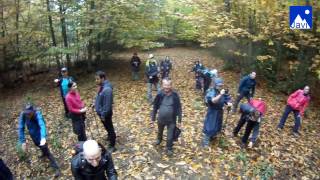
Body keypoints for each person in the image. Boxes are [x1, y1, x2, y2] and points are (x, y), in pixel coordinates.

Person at [18, 103, 60, 177]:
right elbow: (21, 127)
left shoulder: (37, 113)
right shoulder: (23, 114)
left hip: (40, 135)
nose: (28, 115)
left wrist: (43, 137)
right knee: (38, 145)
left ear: (33, 111)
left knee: (47, 151)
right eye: (26, 114)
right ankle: (43, 153)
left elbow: (42, 125)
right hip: (33, 135)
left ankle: (56, 167)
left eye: (29, 114)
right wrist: (22, 141)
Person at [150, 78, 182, 156]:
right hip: (161, 119)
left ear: (171, 85)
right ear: (162, 85)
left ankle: (169, 148)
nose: (166, 87)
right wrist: (153, 119)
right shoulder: (159, 94)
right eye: (165, 85)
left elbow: (178, 108)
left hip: (171, 120)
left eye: (168, 85)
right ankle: (159, 139)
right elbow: (155, 107)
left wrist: (179, 120)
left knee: (170, 136)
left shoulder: (175, 95)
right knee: (160, 131)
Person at [202, 78, 232, 147]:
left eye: (221, 85)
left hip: (219, 111)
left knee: (217, 125)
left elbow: (227, 99)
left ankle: (213, 136)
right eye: (219, 85)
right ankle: (205, 142)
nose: (220, 87)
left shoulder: (222, 91)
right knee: (210, 126)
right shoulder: (211, 91)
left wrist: (229, 103)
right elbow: (213, 101)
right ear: (215, 85)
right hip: (212, 112)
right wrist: (220, 94)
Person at [95, 71, 117, 152]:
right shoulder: (102, 86)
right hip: (102, 113)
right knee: (107, 127)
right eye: (95, 79)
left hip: (105, 114)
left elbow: (107, 105)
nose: (96, 81)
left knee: (110, 127)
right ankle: (110, 136)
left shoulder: (107, 89)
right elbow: (100, 98)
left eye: (97, 79)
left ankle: (112, 145)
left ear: (103, 78)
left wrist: (103, 115)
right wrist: (95, 104)